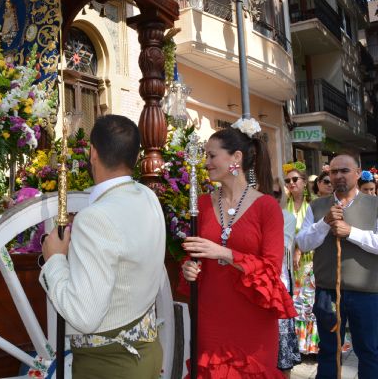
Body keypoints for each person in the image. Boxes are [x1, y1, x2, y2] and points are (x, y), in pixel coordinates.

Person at [39, 115, 167, 378]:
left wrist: (54, 260)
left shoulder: (94, 218)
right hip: (148, 354)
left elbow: (83, 316)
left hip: (109, 365)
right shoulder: (148, 196)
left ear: (93, 153)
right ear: (135, 156)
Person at [181, 120, 297, 378]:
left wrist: (225, 253)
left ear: (236, 157)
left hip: (253, 316)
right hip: (211, 312)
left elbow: (271, 268)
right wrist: (189, 268)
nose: (206, 162)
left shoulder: (267, 207)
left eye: (212, 155)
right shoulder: (200, 204)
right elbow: (197, 256)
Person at [296, 154, 378, 378]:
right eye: (334, 172)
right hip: (327, 293)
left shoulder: (375, 204)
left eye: (345, 170)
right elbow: (303, 243)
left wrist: (351, 232)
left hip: (367, 293)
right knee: (329, 352)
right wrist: (324, 223)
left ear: (358, 173)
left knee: (369, 352)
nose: (339, 176)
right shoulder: (318, 206)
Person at [284, 163, 319, 355]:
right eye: (288, 180)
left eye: (295, 179)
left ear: (304, 182)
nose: (291, 183)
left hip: (310, 261)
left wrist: (299, 248)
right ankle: (298, 346)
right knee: (293, 302)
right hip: (288, 263)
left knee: (308, 303)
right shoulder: (284, 203)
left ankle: (312, 347)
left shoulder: (313, 204)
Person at [273, 177, 301, 377]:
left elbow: (278, 250)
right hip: (249, 287)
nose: (271, 197)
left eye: (276, 193)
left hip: (278, 286)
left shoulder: (286, 217)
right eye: (266, 192)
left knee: (283, 355)